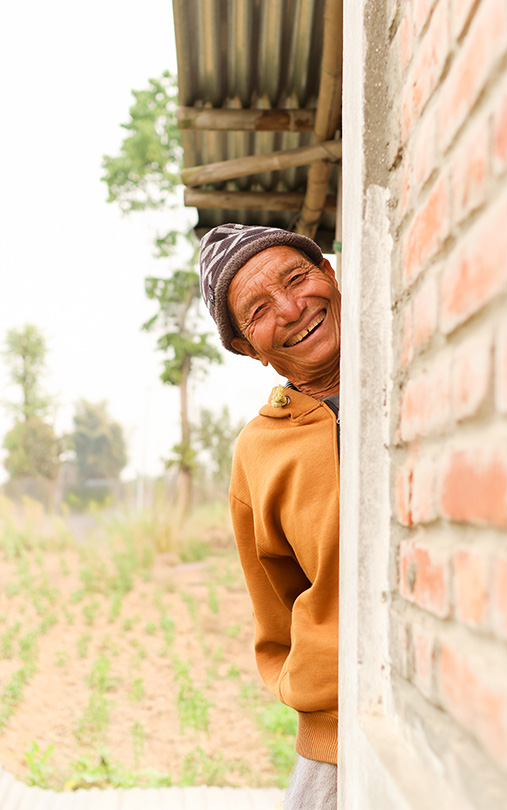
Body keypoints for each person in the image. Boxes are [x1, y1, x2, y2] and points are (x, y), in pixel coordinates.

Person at [199, 223, 340, 810]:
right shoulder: (259, 452)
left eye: (298, 276)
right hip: (336, 729)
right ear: (247, 348)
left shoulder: (426, 369)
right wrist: (315, 684)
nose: (290, 308)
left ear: (330, 273)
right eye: (258, 309)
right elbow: (276, 603)